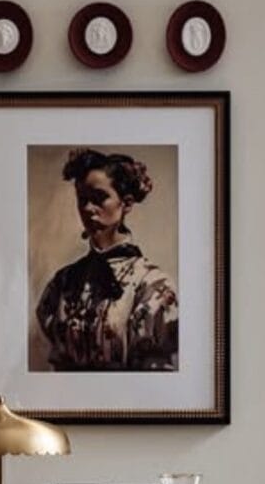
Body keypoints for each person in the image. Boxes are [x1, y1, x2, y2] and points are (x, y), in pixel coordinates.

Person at [36, 148, 178, 372]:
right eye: (82, 199)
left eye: (99, 198)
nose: (88, 209)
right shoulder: (63, 282)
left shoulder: (153, 285)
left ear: (127, 204)